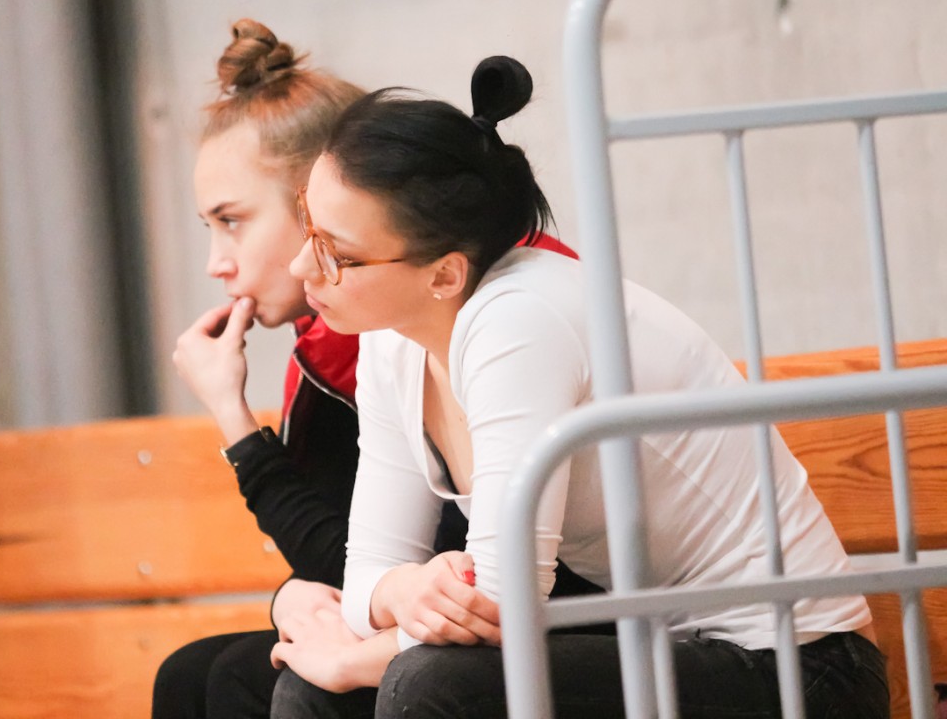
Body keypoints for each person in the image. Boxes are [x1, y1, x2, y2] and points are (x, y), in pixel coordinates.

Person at [269, 56, 888, 718]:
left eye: (335, 252)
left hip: (801, 669)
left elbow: (503, 604)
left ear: (444, 274)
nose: (301, 265)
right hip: (661, 644)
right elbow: (369, 571)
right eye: (307, 224)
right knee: (312, 691)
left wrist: (352, 658)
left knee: (424, 684)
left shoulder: (518, 319)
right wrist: (405, 591)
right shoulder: (391, 341)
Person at [155, 21, 590, 719]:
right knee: (197, 673)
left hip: (586, 617)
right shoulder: (375, 339)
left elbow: (471, 580)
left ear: (320, 198)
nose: (216, 263)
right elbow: (368, 566)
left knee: (259, 679)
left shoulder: (444, 318)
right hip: (489, 619)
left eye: (231, 220)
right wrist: (299, 599)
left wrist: (237, 426)